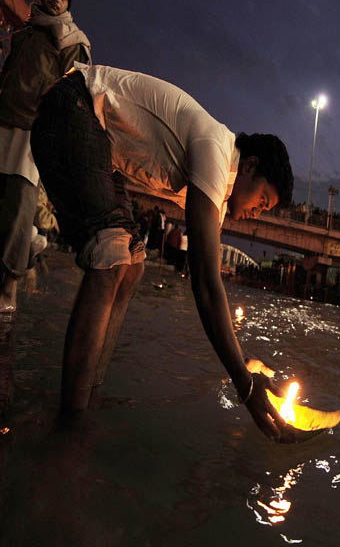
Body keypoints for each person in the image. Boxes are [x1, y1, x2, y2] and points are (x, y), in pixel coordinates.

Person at [31, 63, 296, 441]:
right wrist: (245, 385)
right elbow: (204, 283)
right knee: (112, 254)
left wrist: (243, 361)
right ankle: (70, 425)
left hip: (98, 142)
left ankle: (89, 392)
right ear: (250, 165)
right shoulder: (217, 148)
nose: (256, 212)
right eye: (262, 199)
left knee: (133, 263)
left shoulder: (218, 202)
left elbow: (209, 280)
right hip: (73, 105)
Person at [0, 0, 91, 312]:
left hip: (32, 130)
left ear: (68, 5)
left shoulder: (72, 40)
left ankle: (9, 287)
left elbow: (74, 90)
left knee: (20, 208)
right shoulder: (24, 35)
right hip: (3, 122)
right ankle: (32, 247)